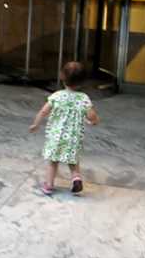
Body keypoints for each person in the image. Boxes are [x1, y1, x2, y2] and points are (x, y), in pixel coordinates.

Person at [29, 61, 100, 195]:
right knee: (73, 160)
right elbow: (91, 115)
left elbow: (44, 111)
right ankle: (76, 178)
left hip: (56, 136)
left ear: (62, 76)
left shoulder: (57, 96)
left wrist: (36, 124)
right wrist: (95, 121)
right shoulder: (83, 98)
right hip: (73, 137)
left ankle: (49, 185)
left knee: (53, 162)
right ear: (83, 81)